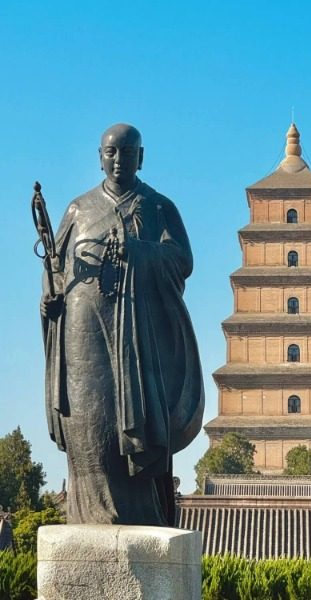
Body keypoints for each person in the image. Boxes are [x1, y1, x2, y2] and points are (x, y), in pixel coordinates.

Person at [41, 123, 204, 526]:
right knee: (87, 415)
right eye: (111, 153)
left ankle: (140, 513)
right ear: (99, 157)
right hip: (82, 326)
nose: (118, 160)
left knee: (134, 420)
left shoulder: (158, 207)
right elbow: (56, 267)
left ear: (141, 157)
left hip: (136, 330)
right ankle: (87, 514)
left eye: (127, 153)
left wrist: (137, 253)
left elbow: (181, 261)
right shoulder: (79, 208)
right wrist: (51, 293)